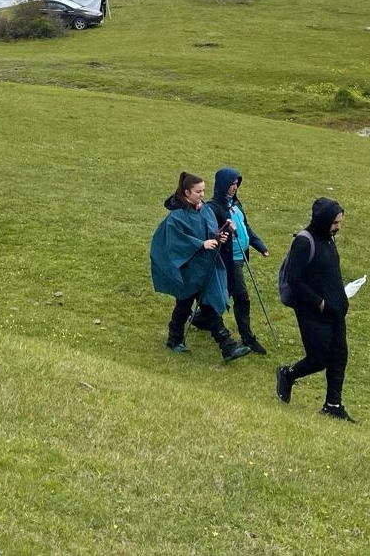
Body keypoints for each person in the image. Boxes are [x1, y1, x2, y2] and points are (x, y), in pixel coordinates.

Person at [149, 171, 253, 362]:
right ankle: (226, 345)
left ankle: (178, 339)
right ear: (186, 192)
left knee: (191, 304)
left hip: (205, 267)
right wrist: (200, 244)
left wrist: (219, 236)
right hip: (188, 269)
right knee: (193, 304)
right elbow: (176, 242)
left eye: (203, 191)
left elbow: (210, 232)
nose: (202, 195)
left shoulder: (204, 210)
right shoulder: (176, 217)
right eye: (198, 192)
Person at [276, 197, 354, 421]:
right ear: (323, 221)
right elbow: (295, 279)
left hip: (335, 311)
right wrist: (319, 303)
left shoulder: (328, 239)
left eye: (339, 222)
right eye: (335, 222)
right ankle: (288, 374)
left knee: (339, 356)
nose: (338, 227)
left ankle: (333, 405)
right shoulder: (304, 242)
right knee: (319, 358)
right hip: (313, 312)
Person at [205, 167, 270, 354]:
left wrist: (260, 245)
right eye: (231, 184)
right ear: (222, 184)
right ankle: (247, 337)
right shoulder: (213, 208)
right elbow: (211, 233)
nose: (235, 187)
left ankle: (202, 317)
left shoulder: (236, 204)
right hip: (228, 259)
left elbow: (245, 227)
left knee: (225, 292)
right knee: (241, 296)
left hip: (240, 257)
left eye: (236, 184)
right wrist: (224, 231)